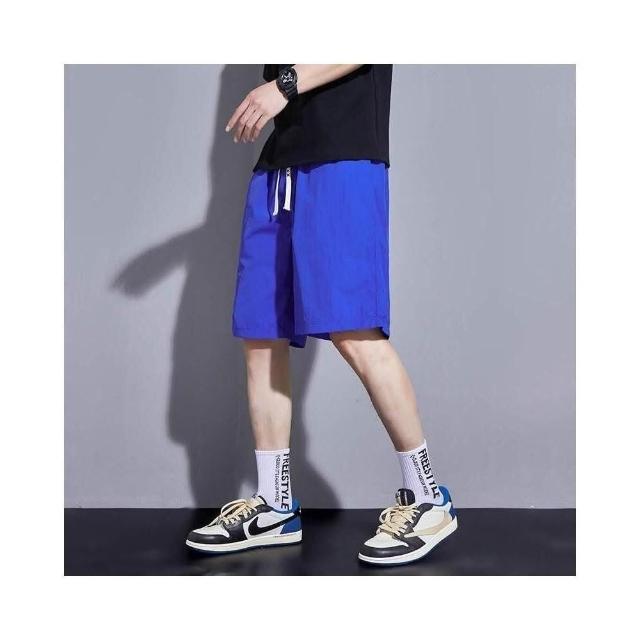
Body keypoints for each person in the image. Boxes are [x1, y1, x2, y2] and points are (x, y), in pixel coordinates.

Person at [185, 64, 457, 566]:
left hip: (343, 156)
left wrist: (282, 87)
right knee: (261, 334)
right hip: (280, 162)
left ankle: (427, 498)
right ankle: (274, 504)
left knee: (354, 329)